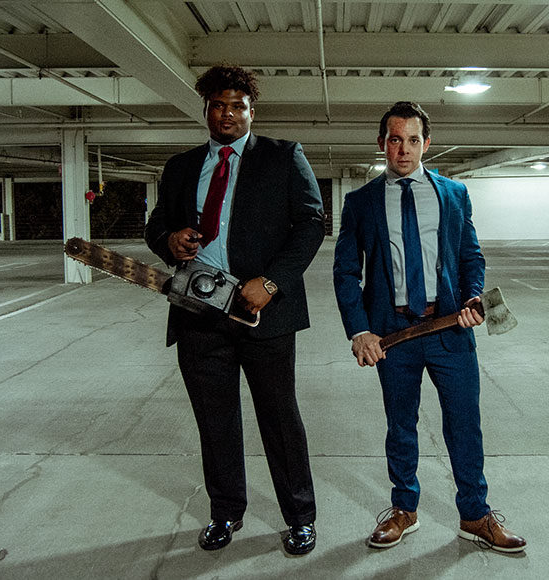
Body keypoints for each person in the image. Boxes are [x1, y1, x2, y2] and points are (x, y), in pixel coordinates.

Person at [144, 64, 324, 555]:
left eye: (238, 105)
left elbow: (312, 224)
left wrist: (270, 282)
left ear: (252, 110)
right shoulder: (181, 166)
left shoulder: (283, 157)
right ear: (205, 109)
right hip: (199, 315)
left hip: (262, 314)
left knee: (280, 420)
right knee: (215, 421)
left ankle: (300, 517)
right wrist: (169, 240)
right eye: (219, 105)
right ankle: (226, 513)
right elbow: (156, 222)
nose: (228, 113)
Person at [332, 101, 526, 553]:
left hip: (449, 332)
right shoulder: (360, 203)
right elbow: (346, 272)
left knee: (465, 424)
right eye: (395, 140)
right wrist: (360, 330)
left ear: (427, 143)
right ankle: (404, 510)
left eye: (413, 140)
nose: (404, 149)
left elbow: (470, 256)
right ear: (382, 143)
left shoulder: (454, 194)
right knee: (401, 425)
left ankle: (475, 516)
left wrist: (474, 294)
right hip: (393, 336)